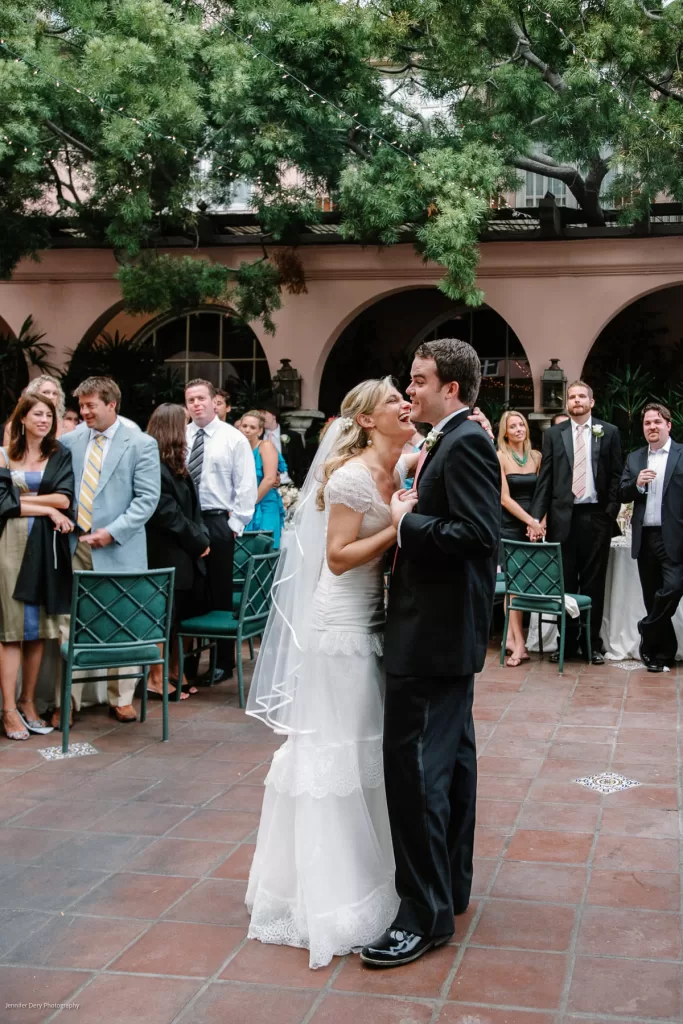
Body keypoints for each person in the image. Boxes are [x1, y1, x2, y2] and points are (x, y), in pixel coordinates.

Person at [245, 377, 416, 968]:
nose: (405, 404)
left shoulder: (402, 463)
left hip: (372, 623)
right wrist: (399, 525)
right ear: (367, 420)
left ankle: (377, 874)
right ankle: (331, 895)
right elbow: (338, 558)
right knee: (338, 754)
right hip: (340, 628)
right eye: (395, 399)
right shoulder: (347, 478)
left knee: (366, 753)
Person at [360, 340, 501, 969]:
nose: (408, 391)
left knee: (414, 774)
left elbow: (477, 536)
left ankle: (422, 917)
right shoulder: (448, 437)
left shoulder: (465, 441)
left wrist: (405, 521)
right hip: (443, 635)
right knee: (452, 767)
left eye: (418, 381)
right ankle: (452, 887)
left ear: (450, 388)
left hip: (432, 637)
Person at [53, 376, 161, 726]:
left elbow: (147, 499)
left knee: (123, 621)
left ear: (112, 405)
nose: (83, 411)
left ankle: (122, 698)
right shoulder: (68, 442)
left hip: (120, 547)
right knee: (71, 623)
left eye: (90, 405)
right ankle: (67, 701)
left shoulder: (141, 444)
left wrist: (111, 534)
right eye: (81, 405)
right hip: (74, 545)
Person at [530, 380, 622, 665]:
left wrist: (609, 512)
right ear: (567, 403)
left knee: (594, 585)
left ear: (591, 402)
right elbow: (545, 477)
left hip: (596, 518)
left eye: (582, 396)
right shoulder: (554, 435)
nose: (577, 400)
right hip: (562, 519)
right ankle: (567, 645)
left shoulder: (609, 432)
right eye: (572, 397)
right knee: (565, 585)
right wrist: (536, 518)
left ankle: (592, 645)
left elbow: (617, 475)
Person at [0, 395, 75, 740]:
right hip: (8, 545)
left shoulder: (60, 454)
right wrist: (47, 510)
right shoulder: (4, 454)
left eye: (49, 415)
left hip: (45, 547)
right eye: (38, 414)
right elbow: (1, 504)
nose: (44, 420)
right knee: (11, 628)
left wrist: (28, 504)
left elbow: (64, 499)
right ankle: (8, 709)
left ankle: (29, 701)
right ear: (23, 419)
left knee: (38, 627)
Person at [185, 379, 257, 684]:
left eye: (202, 398)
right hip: (186, 519)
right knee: (190, 591)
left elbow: (245, 483)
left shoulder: (233, 438)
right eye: (191, 400)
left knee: (219, 592)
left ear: (215, 402)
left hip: (217, 521)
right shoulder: (181, 435)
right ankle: (186, 664)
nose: (196, 404)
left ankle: (222, 662)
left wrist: (235, 525)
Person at [145, 404, 211, 699]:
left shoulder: (176, 466)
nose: (188, 431)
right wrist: (198, 541)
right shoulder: (154, 468)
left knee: (176, 615)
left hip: (183, 551)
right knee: (163, 616)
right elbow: (167, 514)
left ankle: (174, 671)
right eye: (185, 425)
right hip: (165, 551)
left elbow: (192, 510)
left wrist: (202, 536)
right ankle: (155, 679)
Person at [619, 403, 683, 672]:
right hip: (645, 537)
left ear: (669, 425)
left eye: (657, 422)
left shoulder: (681, 454)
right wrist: (637, 485)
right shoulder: (634, 458)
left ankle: (646, 627)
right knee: (651, 596)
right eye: (647, 423)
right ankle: (660, 654)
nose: (652, 427)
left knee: (673, 587)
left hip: (676, 537)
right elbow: (621, 493)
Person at [497, 410, 544, 667]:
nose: (518, 429)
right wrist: (530, 521)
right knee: (513, 587)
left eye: (521, 425)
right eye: (513, 426)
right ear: (505, 432)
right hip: (511, 526)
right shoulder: (501, 458)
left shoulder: (536, 456)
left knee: (525, 585)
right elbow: (504, 499)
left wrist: (541, 521)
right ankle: (520, 644)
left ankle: (513, 640)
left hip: (534, 524)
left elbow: (545, 490)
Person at [238, 410, 286, 548]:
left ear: (260, 431)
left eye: (252, 427)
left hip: (264, 504)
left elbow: (270, 479)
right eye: (244, 426)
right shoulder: (236, 448)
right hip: (241, 507)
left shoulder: (265, 446)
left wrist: (248, 504)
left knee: (263, 548)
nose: (247, 430)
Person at [3, 375, 68, 447]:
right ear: (33, 395)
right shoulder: (13, 427)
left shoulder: (67, 425)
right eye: (45, 392)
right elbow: (7, 455)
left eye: (55, 393)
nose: (51, 397)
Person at [263, 405, 307, 487]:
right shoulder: (256, 437)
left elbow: (301, 465)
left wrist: (298, 487)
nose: (261, 417)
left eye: (264, 413)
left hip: (287, 485)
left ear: (274, 415)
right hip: (262, 486)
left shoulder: (293, 436)